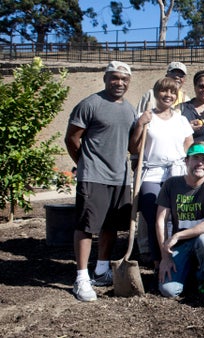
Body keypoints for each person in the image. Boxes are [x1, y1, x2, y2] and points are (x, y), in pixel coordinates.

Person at [64, 61, 135, 302]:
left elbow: (133, 145)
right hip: (93, 175)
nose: (119, 83)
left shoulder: (129, 110)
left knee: (110, 226)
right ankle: (81, 277)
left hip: (120, 177)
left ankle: (102, 269)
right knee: (86, 226)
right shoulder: (90, 104)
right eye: (115, 78)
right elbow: (72, 138)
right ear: (105, 79)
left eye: (124, 79)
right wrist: (84, 163)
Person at [131, 77, 194, 268]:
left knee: (176, 216)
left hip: (176, 171)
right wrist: (140, 125)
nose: (168, 95)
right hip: (152, 171)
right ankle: (159, 259)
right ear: (156, 92)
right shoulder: (146, 117)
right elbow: (134, 148)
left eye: (173, 92)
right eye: (164, 91)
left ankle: (178, 257)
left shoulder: (181, 119)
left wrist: (186, 163)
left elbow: (188, 144)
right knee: (153, 214)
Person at [155, 142, 204, 298]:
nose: (200, 163)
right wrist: (165, 257)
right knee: (168, 291)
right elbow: (160, 221)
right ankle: (189, 272)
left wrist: (177, 235)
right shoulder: (171, 184)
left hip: (202, 240)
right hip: (180, 246)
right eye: (195, 158)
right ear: (186, 161)